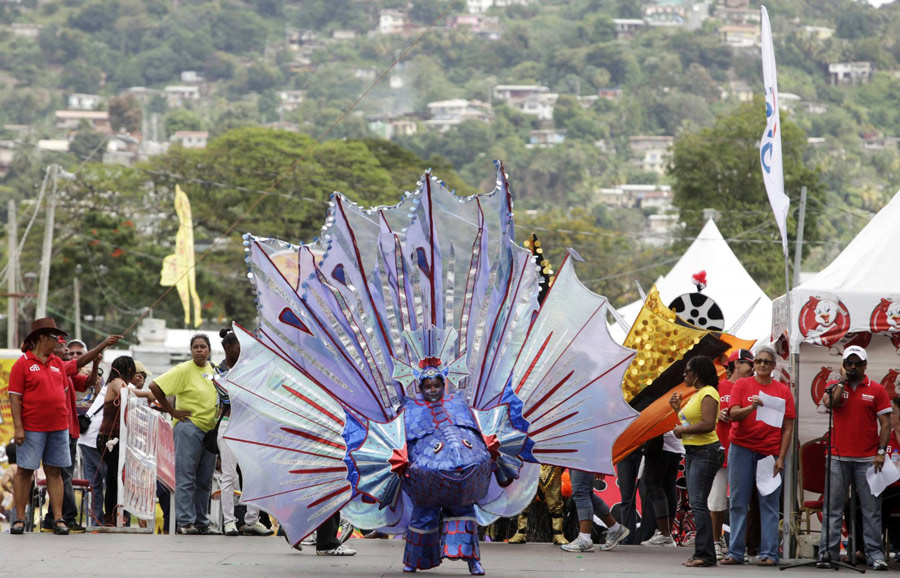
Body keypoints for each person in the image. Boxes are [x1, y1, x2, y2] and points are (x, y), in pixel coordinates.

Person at [8, 318, 119, 535]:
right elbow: (14, 398)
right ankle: (19, 518)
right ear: (41, 339)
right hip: (32, 427)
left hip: (59, 427)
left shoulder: (57, 363)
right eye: (54, 338)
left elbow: (79, 367)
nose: (58, 342)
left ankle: (59, 519)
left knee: (55, 472)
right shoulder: (22, 364)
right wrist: (18, 428)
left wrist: (103, 346)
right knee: (24, 471)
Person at [817, 346, 890, 571]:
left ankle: (874, 555)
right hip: (838, 457)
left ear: (865, 365)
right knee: (833, 508)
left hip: (868, 458)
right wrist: (841, 381)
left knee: (871, 510)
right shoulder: (835, 387)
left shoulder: (877, 390)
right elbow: (832, 404)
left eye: (858, 363)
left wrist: (880, 453)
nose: (853, 367)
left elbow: (886, 424)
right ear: (844, 365)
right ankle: (828, 554)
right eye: (849, 363)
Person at [721, 346, 794, 566]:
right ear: (754, 364)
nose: (762, 364)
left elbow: (788, 428)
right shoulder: (742, 384)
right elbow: (733, 413)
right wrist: (750, 408)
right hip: (741, 448)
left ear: (773, 366)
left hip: (768, 452)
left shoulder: (783, 391)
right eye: (759, 361)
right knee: (738, 502)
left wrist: (781, 458)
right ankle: (735, 552)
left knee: (769, 503)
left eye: (767, 362)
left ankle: (769, 553)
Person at [147, 334, 221, 535]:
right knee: (186, 476)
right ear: (191, 350)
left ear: (209, 350)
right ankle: (185, 522)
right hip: (189, 427)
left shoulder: (214, 370)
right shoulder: (183, 369)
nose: (199, 350)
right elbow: (154, 386)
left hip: (210, 431)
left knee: (205, 479)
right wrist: (171, 411)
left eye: (203, 346)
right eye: (195, 347)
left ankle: (202, 522)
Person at [214, 327, 274, 537]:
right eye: (239, 347)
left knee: (254, 474)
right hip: (230, 425)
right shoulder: (219, 372)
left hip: (250, 427)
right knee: (229, 476)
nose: (243, 351)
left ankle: (251, 520)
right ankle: (229, 522)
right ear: (228, 348)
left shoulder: (251, 369)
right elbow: (231, 399)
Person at [40, 337, 101, 533]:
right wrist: (103, 345)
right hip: (61, 429)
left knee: (60, 474)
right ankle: (68, 517)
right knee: (63, 474)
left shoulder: (65, 370)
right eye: (62, 347)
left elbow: (88, 383)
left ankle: (51, 518)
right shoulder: (56, 368)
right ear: (51, 349)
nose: (67, 350)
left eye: (73, 350)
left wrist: (96, 364)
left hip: (70, 428)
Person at [669, 355, 722, 567]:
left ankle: (706, 555)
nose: (684, 374)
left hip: (705, 452)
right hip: (693, 452)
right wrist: (677, 410)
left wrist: (682, 429)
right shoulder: (698, 394)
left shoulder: (709, 393)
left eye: (688, 370)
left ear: (697, 373)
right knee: (696, 503)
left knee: (699, 504)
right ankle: (703, 553)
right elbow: (690, 423)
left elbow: (708, 424)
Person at [96, 356, 157, 525]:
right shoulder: (117, 382)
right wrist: (148, 394)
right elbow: (127, 393)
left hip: (115, 438)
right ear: (128, 370)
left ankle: (115, 516)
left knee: (117, 478)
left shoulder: (117, 382)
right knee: (113, 479)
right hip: (109, 438)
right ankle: (111, 517)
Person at [709, 349, 754, 559]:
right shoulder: (717, 386)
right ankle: (716, 542)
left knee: (740, 502)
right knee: (717, 500)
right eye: (750, 364)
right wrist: (717, 414)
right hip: (720, 450)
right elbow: (702, 410)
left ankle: (738, 545)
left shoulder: (752, 386)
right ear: (736, 364)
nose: (753, 368)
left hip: (743, 450)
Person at [561, 468, 630, 553]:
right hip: (577, 456)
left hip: (585, 457)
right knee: (586, 493)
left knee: (581, 492)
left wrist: (600, 464)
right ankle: (615, 529)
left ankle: (585, 539)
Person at [640, 431, 683, 547]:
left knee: (653, 483)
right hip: (675, 443)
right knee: (668, 485)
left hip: (661, 443)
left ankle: (665, 534)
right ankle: (666, 534)